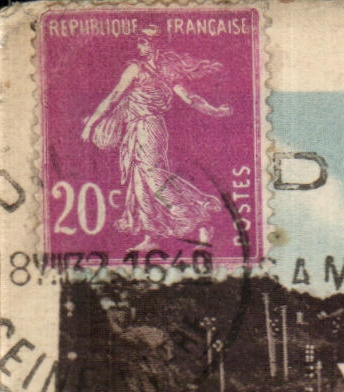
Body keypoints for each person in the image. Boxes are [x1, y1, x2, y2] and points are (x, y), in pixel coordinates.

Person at [81, 28, 232, 249]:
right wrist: (215, 111)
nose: (139, 47)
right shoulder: (146, 68)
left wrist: (215, 111)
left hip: (149, 128)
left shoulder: (150, 69)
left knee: (153, 178)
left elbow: (189, 98)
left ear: (154, 44)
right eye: (139, 42)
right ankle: (152, 237)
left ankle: (198, 217)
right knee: (140, 182)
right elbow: (114, 98)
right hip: (137, 129)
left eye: (143, 42)